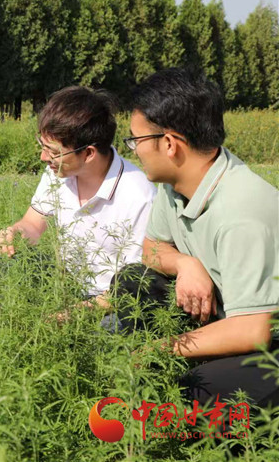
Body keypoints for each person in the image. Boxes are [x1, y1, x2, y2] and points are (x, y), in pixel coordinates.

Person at [111, 67, 279, 406]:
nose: (133, 150)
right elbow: (151, 248)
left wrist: (162, 349)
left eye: (136, 140)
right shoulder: (176, 184)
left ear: (170, 144)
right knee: (132, 280)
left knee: (190, 392)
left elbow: (253, 330)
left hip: (265, 342)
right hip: (223, 316)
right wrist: (185, 264)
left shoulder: (242, 212)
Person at [0, 86, 156, 299]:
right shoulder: (57, 173)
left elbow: (135, 284)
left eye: (53, 151)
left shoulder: (139, 196)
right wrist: (16, 233)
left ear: (89, 153)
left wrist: (78, 313)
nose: (43, 157)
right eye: (42, 146)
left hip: (113, 299)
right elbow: (33, 224)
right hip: (65, 285)